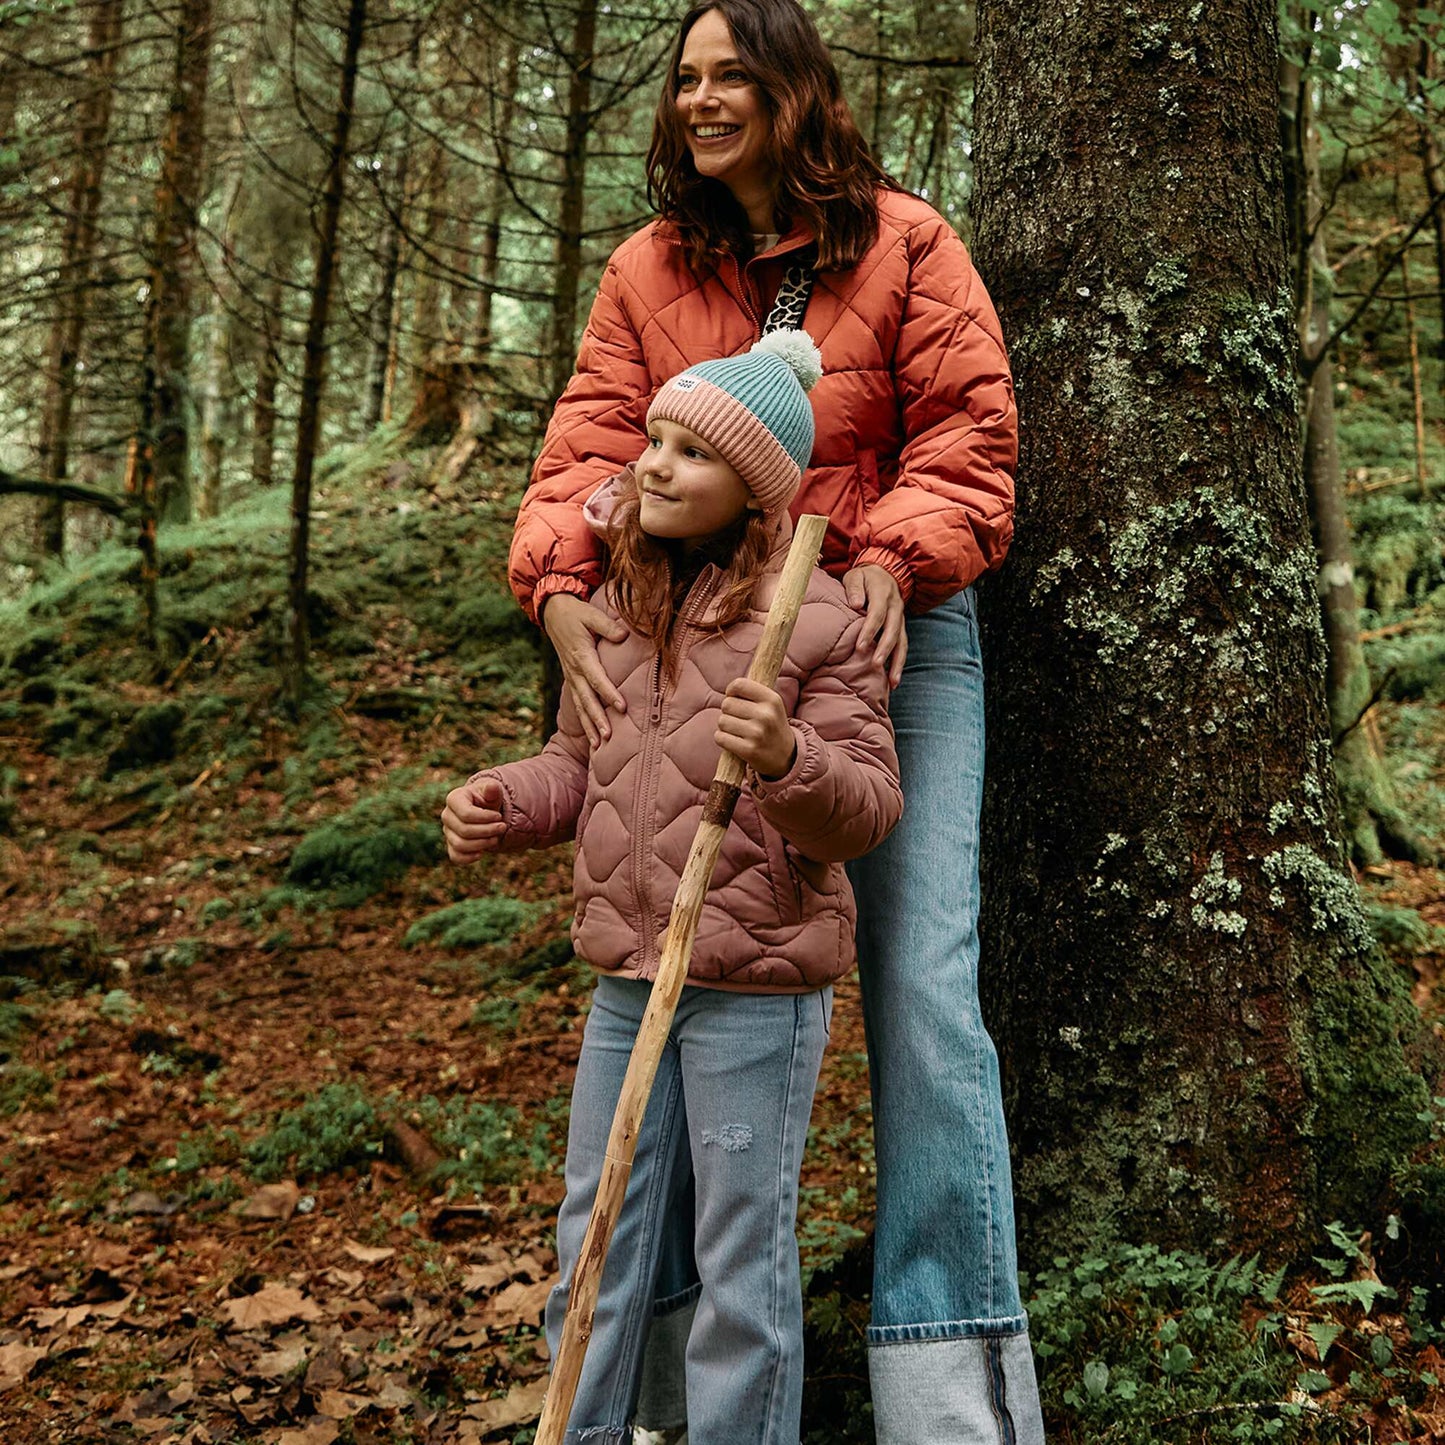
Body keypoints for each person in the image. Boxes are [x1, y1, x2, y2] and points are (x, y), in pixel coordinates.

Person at [490, 1, 1046, 1439]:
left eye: (733, 72)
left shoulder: (910, 243)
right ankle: (669, 1389)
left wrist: (892, 558)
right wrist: (556, 591)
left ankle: (949, 1393)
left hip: (890, 635)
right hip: (688, 648)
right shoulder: (645, 267)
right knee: (691, 989)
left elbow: (970, 434)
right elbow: (586, 453)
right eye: (685, 78)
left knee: (920, 989)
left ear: (801, 90)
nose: (703, 98)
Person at [443, 333, 904, 1445]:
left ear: (752, 490)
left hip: (754, 981)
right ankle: (582, 1428)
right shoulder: (619, 605)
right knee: (595, 1225)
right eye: (653, 436)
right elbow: (580, 762)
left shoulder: (818, 621)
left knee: (740, 1246)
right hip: (626, 977)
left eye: (691, 451)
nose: (651, 463)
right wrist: (508, 797)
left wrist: (788, 757)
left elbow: (867, 808)